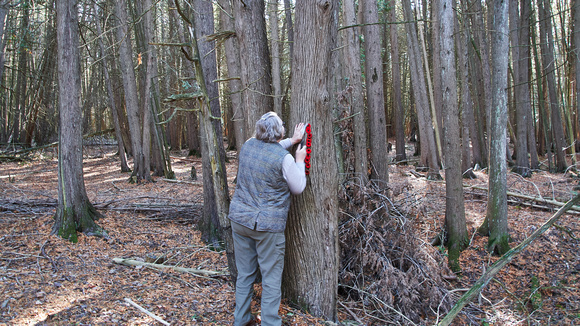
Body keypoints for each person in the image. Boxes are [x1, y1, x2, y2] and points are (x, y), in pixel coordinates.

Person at [229, 111, 307, 326]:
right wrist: (299, 160)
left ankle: (241, 319)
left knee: (245, 274)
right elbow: (298, 187)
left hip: (239, 219)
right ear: (279, 131)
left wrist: (293, 140)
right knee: (271, 278)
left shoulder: (248, 145)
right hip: (266, 225)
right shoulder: (285, 159)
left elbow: (268, 151)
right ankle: (270, 323)